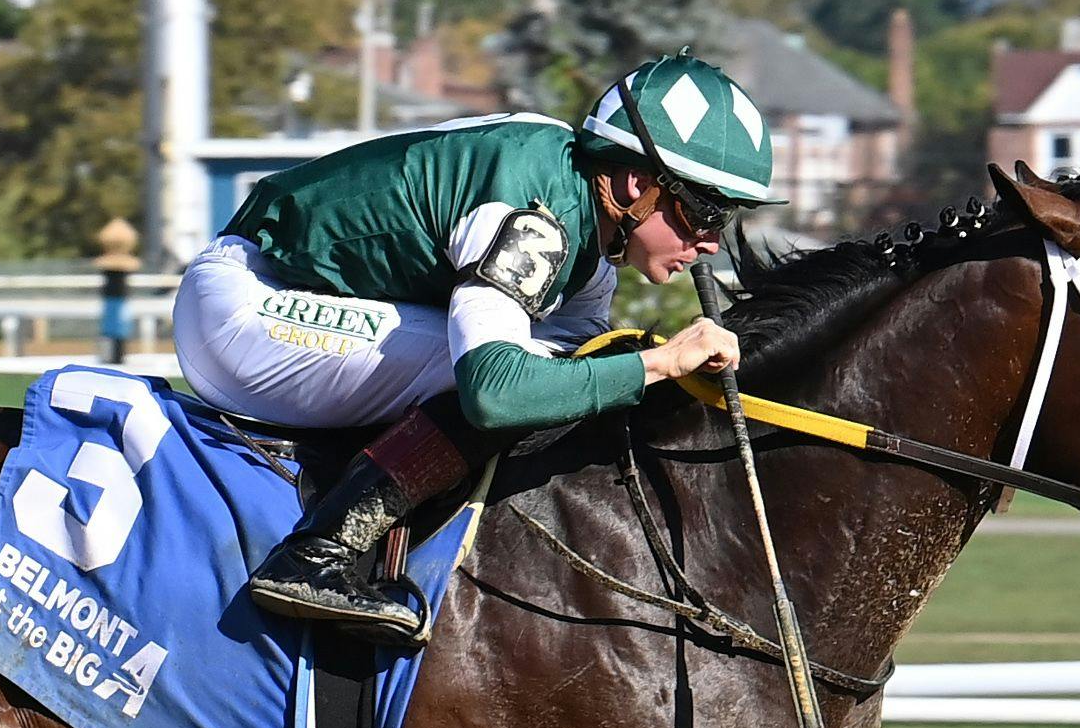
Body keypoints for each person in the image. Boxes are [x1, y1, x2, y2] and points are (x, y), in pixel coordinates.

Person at [172, 53, 776, 644]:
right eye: (704, 212)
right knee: (514, 377)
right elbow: (495, 393)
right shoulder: (538, 217)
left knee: (566, 372)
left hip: (295, 296)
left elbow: (583, 369)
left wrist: (640, 369)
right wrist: (659, 361)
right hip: (246, 304)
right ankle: (316, 552)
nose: (711, 243)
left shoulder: (590, 246)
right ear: (634, 183)